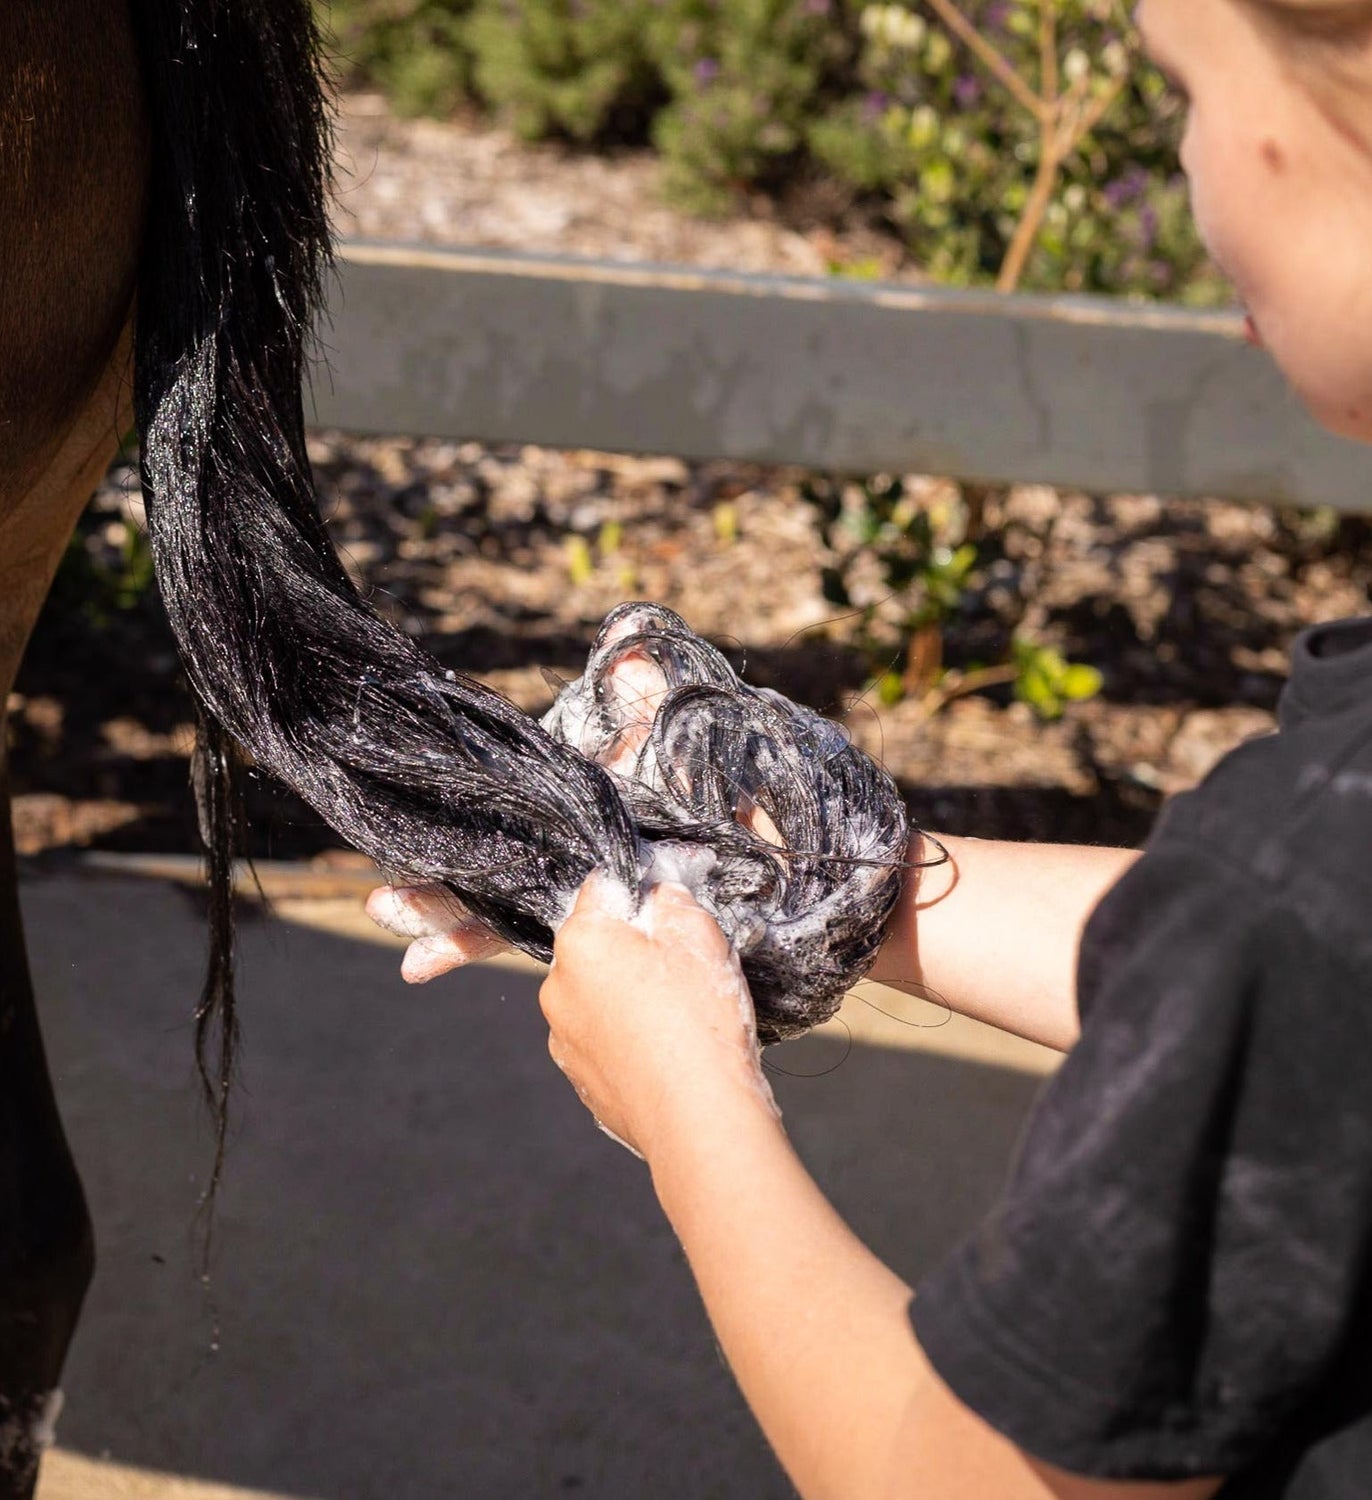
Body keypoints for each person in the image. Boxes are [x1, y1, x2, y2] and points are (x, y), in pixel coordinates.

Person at [368, 2, 1372, 1494]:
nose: (1183, 155)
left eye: (1186, 84)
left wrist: (686, 1096)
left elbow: (949, 1476)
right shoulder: (1313, 872)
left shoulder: (1290, 886)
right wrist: (833, 881)